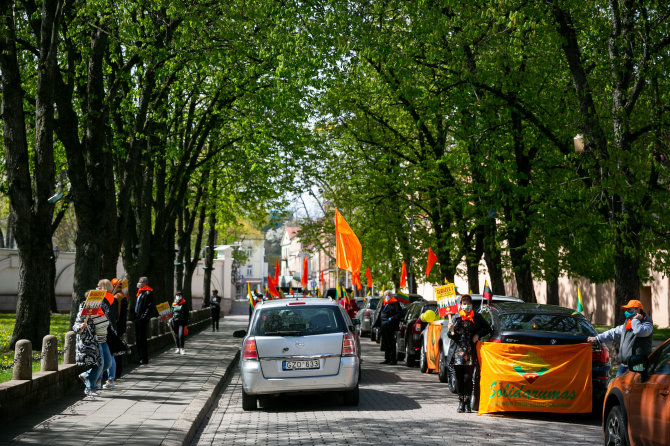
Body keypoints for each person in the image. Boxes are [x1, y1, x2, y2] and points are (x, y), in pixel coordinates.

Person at [447, 294, 492, 413]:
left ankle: (467, 402)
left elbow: (488, 328)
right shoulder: (456, 317)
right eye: (464, 304)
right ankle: (461, 402)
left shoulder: (477, 316)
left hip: (470, 350)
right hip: (457, 351)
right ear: (461, 305)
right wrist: (451, 330)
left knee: (468, 377)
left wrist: (478, 335)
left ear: (472, 304)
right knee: (458, 377)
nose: (466, 306)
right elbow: (452, 336)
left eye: (468, 303)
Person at [587, 299, 653, 376]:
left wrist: (635, 320)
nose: (626, 312)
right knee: (616, 386)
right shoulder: (628, 322)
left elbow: (638, 331)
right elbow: (613, 332)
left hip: (638, 366)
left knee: (635, 387)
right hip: (624, 365)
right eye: (626, 309)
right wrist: (597, 339)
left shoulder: (647, 324)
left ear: (637, 310)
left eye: (629, 309)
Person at [73, 300, 102, 397]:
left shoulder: (100, 309)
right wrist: (80, 326)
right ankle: (90, 388)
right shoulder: (83, 310)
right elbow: (75, 326)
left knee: (99, 363)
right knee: (98, 364)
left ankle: (88, 380)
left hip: (96, 341)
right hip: (87, 343)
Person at [378, 291, 402, 365]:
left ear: (391, 295)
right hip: (383, 325)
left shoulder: (395, 303)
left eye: (388, 295)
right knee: (385, 343)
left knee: (391, 343)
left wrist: (392, 318)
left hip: (390, 326)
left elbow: (399, 313)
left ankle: (393, 360)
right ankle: (387, 359)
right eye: (385, 295)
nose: (387, 296)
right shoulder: (384, 303)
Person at [111, 278, 128, 380]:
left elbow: (116, 315)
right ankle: (118, 371)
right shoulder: (123, 296)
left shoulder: (117, 297)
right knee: (118, 350)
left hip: (117, 327)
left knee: (116, 350)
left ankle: (117, 373)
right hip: (122, 326)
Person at [134, 276, 153, 365]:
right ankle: (140, 357)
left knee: (142, 339)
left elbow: (148, 307)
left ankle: (144, 358)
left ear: (145, 283)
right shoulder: (140, 292)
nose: (139, 283)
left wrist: (143, 317)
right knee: (138, 339)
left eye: (140, 281)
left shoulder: (148, 293)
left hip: (142, 319)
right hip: (137, 318)